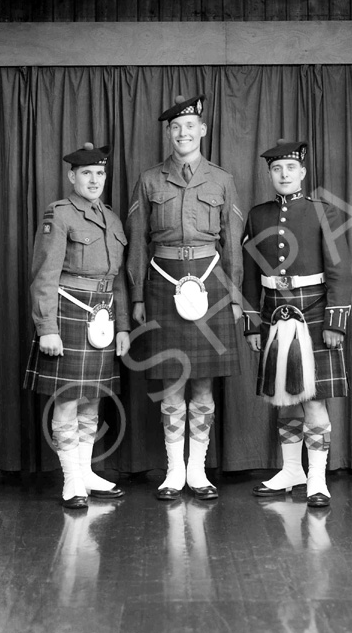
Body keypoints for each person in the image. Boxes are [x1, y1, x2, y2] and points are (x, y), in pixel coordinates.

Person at [126, 94, 244, 501]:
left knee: (204, 385)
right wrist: (138, 295)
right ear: (169, 133)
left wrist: (234, 295)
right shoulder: (149, 179)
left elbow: (232, 245)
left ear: (202, 130)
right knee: (172, 382)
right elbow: (138, 244)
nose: (183, 133)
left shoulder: (222, 180)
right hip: (162, 281)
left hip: (210, 283)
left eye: (190, 126)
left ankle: (198, 471)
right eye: (176, 127)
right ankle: (174, 471)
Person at [242, 140, 352, 507]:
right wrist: (253, 323)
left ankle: (317, 479)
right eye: (277, 169)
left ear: (303, 172)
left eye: (290, 168)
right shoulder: (257, 216)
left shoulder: (325, 212)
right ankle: (292, 470)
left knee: (315, 400)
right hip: (273, 311)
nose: (284, 174)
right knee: (284, 397)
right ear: (269, 174)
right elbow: (248, 275)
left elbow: (339, 272)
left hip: (316, 311)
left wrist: (335, 321)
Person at [24, 143, 131, 509]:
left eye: (100, 173)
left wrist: (124, 328)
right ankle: (72, 481)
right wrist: (46, 327)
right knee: (69, 398)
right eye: (86, 173)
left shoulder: (113, 220)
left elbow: (117, 281)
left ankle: (85, 472)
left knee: (93, 400)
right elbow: (45, 274)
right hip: (69, 314)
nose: (94, 180)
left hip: (104, 317)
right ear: (73, 177)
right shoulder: (60, 214)